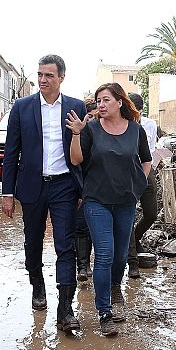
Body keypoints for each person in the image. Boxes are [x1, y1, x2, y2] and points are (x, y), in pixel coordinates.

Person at [1, 54, 86, 333]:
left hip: (64, 185)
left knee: (65, 244)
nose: (43, 80)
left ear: (62, 77)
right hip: (32, 185)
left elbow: (83, 152)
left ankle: (65, 307)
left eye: (49, 75)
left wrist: (84, 188)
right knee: (32, 241)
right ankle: (37, 285)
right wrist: (7, 192)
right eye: (39, 75)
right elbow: (12, 152)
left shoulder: (75, 107)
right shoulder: (22, 107)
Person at [67, 82, 152, 337]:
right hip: (96, 200)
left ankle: (116, 286)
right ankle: (104, 311)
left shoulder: (136, 130)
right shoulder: (90, 128)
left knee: (119, 256)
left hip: (125, 201)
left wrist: (138, 186)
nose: (100, 105)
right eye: (98, 100)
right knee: (104, 253)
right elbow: (76, 160)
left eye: (105, 100)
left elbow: (146, 160)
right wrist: (76, 134)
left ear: (119, 102)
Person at [126, 93, 159, 279]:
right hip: (127, 172)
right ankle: (132, 260)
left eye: (137, 113)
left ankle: (134, 240)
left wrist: (145, 174)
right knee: (128, 216)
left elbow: (151, 151)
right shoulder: (121, 124)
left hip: (146, 170)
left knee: (151, 213)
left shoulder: (151, 125)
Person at [75, 97, 98, 282]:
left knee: (96, 229)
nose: (91, 119)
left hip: (101, 188)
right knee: (81, 227)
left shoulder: (105, 132)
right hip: (82, 186)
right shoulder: (78, 135)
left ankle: (100, 266)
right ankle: (82, 266)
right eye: (88, 116)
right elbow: (74, 163)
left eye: (94, 116)